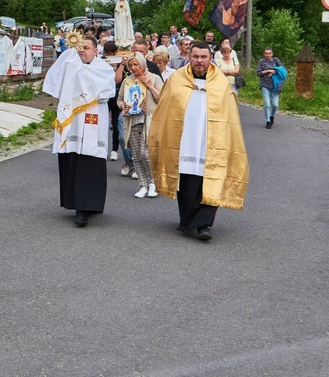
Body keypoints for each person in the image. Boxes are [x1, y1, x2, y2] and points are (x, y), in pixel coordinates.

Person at [148, 41, 249, 241]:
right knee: (186, 181)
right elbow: (165, 111)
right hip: (184, 139)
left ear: (211, 58)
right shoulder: (176, 79)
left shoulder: (221, 82)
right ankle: (186, 220)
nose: (199, 61)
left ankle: (204, 224)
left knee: (211, 179)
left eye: (204, 57)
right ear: (189, 57)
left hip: (211, 141)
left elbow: (230, 116)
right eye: (196, 57)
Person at [42, 35, 116, 227]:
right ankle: (74, 203)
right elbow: (57, 80)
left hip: (94, 120)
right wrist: (70, 58)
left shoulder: (104, 69)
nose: (82, 50)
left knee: (89, 164)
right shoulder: (71, 66)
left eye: (86, 47)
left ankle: (87, 206)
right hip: (74, 122)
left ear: (95, 51)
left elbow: (106, 92)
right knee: (74, 158)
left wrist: (79, 73)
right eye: (79, 47)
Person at [118, 52, 163, 198]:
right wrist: (123, 105)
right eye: (130, 65)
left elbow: (162, 99)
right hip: (133, 121)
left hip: (148, 121)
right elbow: (119, 100)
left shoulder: (154, 78)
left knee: (146, 154)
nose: (133, 68)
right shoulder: (128, 81)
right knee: (136, 155)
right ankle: (143, 185)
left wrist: (149, 85)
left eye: (136, 64)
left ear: (142, 64)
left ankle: (152, 183)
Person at [256, 47, 287, 129]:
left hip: (275, 85)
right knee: (267, 104)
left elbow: (282, 70)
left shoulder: (276, 60)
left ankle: (272, 115)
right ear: (264, 54)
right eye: (266, 53)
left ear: (272, 54)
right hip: (265, 85)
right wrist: (267, 71)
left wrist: (274, 71)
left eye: (269, 53)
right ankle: (268, 121)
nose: (268, 55)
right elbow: (258, 73)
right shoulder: (261, 62)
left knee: (275, 105)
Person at [102, 40, 122, 161]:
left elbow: (119, 79)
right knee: (102, 123)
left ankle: (114, 150)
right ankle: (102, 147)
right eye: (108, 53)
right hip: (104, 96)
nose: (110, 55)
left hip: (116, 95)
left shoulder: (120, 62)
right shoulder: (101, 61)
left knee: (116, 124)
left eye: (112, 53)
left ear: (116, 52)